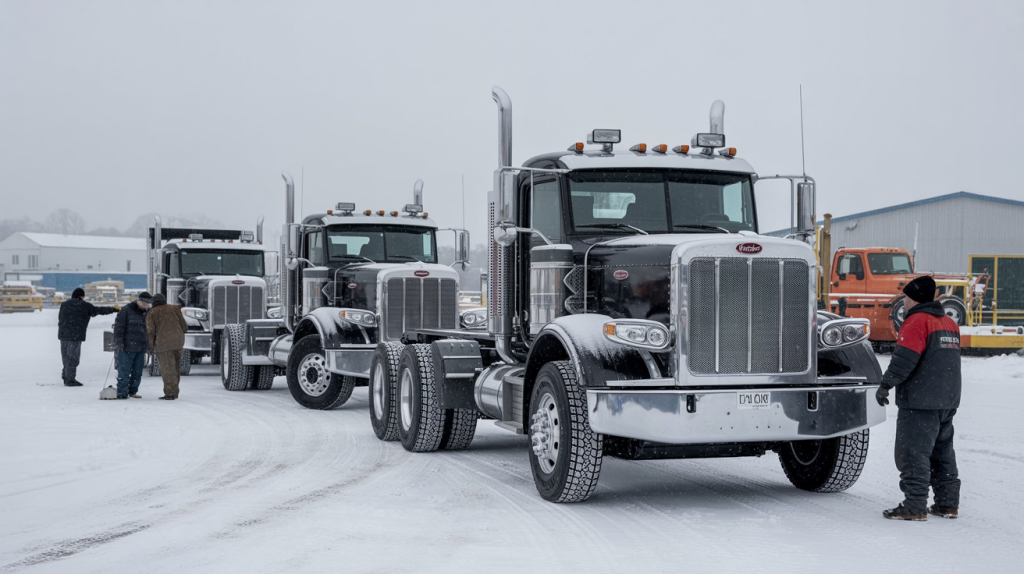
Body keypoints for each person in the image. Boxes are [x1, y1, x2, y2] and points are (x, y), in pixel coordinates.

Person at [876, 275, 962, 521]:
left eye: (905, 297)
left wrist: (885, 385)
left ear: (914, 299)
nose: (903, 301)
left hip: (920, 401)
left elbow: (904, 360)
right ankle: (947, 504)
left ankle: (914, 507)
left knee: (913, 453)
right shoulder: (948, 322)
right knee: (942, 452)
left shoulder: (916, 322)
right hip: (947, 399)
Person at [57, 287, 118, 386]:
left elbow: (60, 318)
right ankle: (70, 380)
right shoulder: (84, 305)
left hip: (63, 335)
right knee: (73, 358)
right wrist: (114, 309)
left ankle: (66, 376)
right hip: (75, 336)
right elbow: (99, 310)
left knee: (66, 356)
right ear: (81, 296)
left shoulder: (64, 305)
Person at [145, 293, 188, 400]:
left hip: (163, 344)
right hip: (178, 342)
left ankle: (170, 393)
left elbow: (150, 331)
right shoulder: (175, 309)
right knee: (175, 367)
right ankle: (175, 391)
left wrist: (151, 346)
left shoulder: (152, 312)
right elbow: (184, 326)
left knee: (167, 369)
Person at [112, 292, 152, 399]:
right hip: (126, 347)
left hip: (141, 347)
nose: (145, 305)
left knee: (137, 372)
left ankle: (132, 391)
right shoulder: (126, 310)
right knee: (124, 371)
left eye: (147, 303)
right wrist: (119, 343)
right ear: (138, 301)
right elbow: (119, 328)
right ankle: (122, 392)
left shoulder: (148, 312)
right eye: (143, 303)